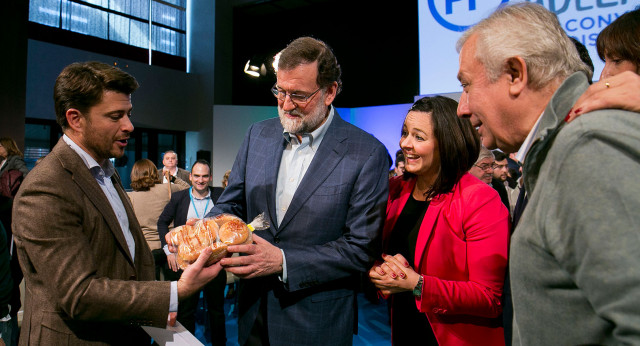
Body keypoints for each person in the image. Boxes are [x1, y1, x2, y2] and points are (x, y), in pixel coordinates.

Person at [456, 3, 640, 344]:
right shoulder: (565, 148)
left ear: (515, 74)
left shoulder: (585, 148)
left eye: (467, 86)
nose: (462, 108)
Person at [11, 61, 222, 345]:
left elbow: (123, 256)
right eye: (115, 116)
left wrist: (178, 244)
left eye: (129, 114)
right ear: (75, 119)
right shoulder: (46, 187)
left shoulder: (104, 173)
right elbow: (80, 294)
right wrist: (176, 292)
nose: (129, 125)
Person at [203, 37, 389, 346]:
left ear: (330, 91)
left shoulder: (366, 153)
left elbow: (360, 249)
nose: (286, 104)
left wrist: (282, 261)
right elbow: (232, 203)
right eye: (280, 91)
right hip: (252, 315)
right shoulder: (257, 134)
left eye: (299, 95)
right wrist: (206, 228)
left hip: (316, 323)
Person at [369, 96, 509, 345]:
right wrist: (381, 272)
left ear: (447, 144)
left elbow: (489, 297)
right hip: (403, 328)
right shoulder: (394, 190)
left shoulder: (480, 199)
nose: (405, 144)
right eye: (405, 133)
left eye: (419, 137)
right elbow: (382, 257)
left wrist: (418, 284)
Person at [157, 159, 227, 345]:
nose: (200, 180)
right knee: (187, 311)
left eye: (205, 176)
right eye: (196, 176)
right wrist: (168, 252)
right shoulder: (179, 198)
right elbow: (162, 223)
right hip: (188, 265)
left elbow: (232, 220)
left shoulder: (221, 195)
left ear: (210, 177)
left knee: (217, 311)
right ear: (190, 177)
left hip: (215, 263)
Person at [127, 158, 189, 280]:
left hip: (147, 250)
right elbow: (188, 188)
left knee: (153, 291)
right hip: (171, 247)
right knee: (174, 290)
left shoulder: (130, 197)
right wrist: (173, 178)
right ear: (155, 173)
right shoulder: (168, 189)